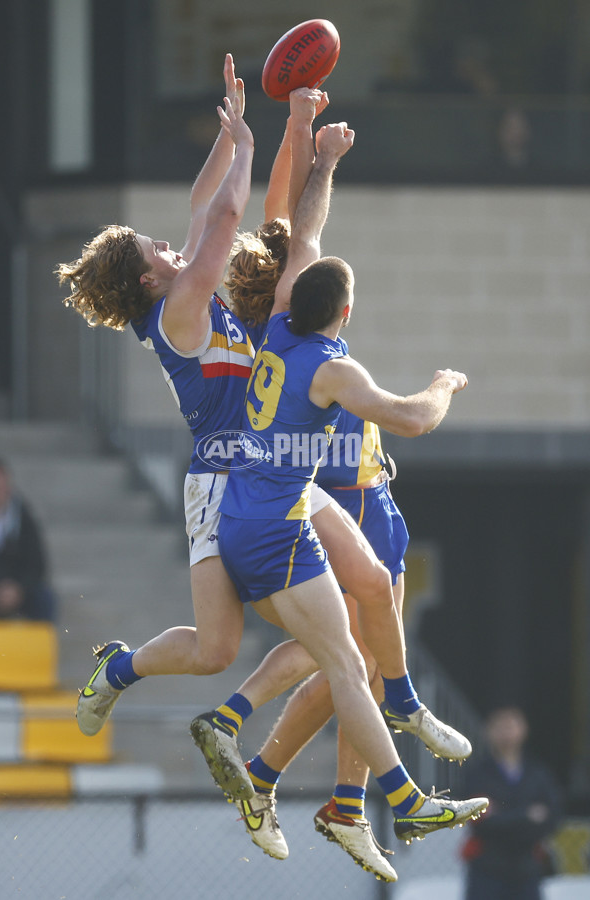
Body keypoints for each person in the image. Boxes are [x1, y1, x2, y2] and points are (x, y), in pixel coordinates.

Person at [190, 115, 488, 873]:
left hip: (260, 508)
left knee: (352, 640)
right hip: (293, 517)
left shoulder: (283, 323)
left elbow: (305, 232)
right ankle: (392, 780)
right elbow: (415, 419)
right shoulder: (330, 365)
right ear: (347, 314)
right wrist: (445, 384)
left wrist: (320, 155)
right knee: (347, 660)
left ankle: (329, 775)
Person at [461, 706, 561, 900]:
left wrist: (503, 815)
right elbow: (480, 819)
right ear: (488, 730)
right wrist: (526, 815)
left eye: (511, 725)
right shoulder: (478, 774)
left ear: (523, 729)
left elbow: (552, 815)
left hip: (527, 867)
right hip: (487, 868)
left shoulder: (537, 774)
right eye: (500, 726)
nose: (506, 733)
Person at [0, 456, 56, 622]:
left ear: (8, 488)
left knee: (45, 599)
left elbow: (37, 562)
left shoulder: (24, 519)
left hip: (19, 591)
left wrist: (18, 589)